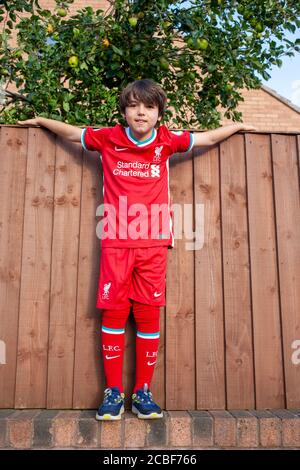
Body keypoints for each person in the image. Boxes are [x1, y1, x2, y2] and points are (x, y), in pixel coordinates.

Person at [18, 79, 255, 420]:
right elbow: (71, 134)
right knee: (113, 312)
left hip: (154, 241)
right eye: (133, 105)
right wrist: (41, 121)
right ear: (125, 111)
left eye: (148, 107)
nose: (140, 112)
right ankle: (113, 394)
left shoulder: (166, 141)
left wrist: (238, 125)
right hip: (116, 241)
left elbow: (207, 138)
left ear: (158, 113)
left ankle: (142, 392)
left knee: (147, 313)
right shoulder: (108, 138)